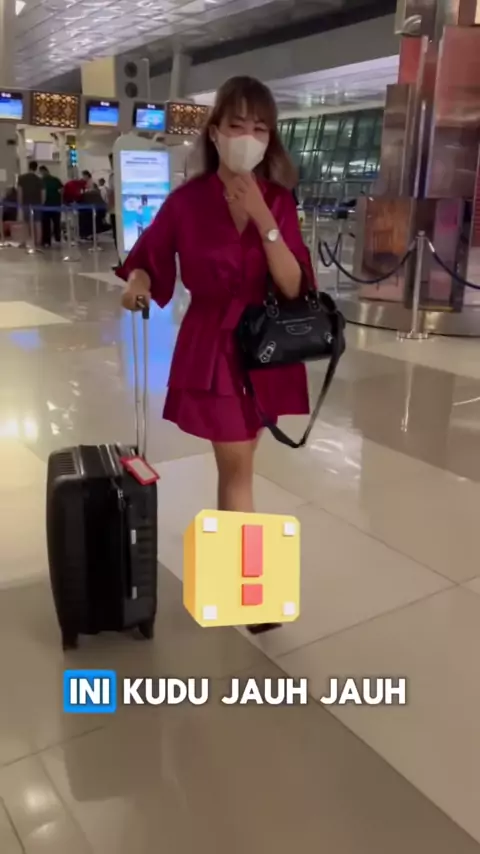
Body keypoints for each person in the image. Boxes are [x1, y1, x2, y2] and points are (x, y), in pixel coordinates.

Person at [118, 77, 313, 632]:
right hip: (214, 346)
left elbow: (294, 284)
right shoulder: (186, 202)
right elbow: (150, 257)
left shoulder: (277, 200)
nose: (248, 137)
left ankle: (237, 586)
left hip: (266, 346)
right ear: (215, 131)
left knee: (240, 465)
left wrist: (264, 219)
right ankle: (250, 595)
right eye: (237, 125)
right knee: (238, 467)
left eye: (260, 128)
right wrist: (137, 283)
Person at [17, 160, 44, 246]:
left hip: (26, 203)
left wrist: (20, 203)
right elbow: (43, 192)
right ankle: (38, 241)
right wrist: (42, 203)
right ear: (36, 168)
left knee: (26, 222)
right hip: (37, 203)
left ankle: (27, 240)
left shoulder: (21, 178)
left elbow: (20, 192)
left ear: (28, 167)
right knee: (37, 222)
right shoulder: (39, 179)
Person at [39, 166, 63, 246]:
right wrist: (61, 200)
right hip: (56, 204)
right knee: (56, 223)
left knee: (46, 224)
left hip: (46, 205)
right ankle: (57, 238)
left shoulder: (42, 181)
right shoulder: (56, 180)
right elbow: (61, 191)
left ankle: (47, 241)